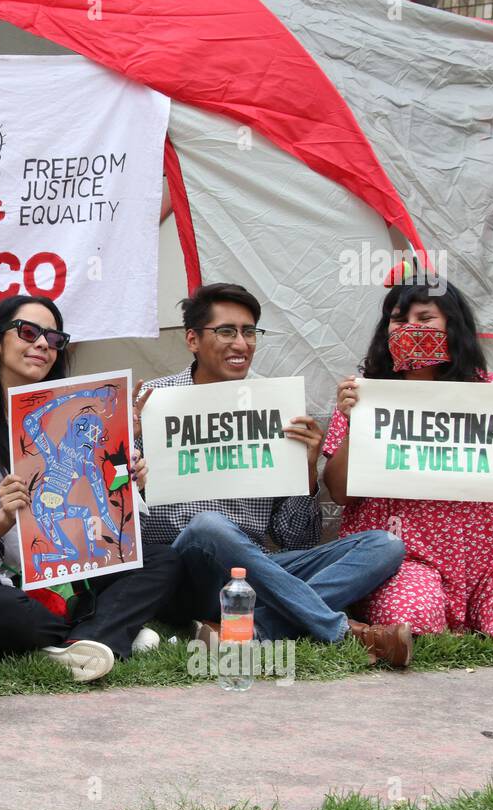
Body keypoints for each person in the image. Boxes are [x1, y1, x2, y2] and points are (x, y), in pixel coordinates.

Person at [138, 282, 412, 665]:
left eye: (249, 332)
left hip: (256, 573)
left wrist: (306, 471)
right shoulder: (151, 402)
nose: (241, 343)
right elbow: (117, 517)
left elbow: (296, 538)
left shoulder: (275, 407)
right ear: (192, 340)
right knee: (209, 527)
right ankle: (342, 630)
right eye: (226, 331)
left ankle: (250, 631)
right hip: (182, 571)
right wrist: (132, 475)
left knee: (385, 545)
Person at [0, 296, 182, 683]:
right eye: (28, 332)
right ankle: (105, 631)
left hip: (55, 567)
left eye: (54, 338)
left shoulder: (68, 424)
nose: (44, 344)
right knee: (8, 614)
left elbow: (101, 503)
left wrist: (125, 477)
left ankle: (85, 639)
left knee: (162, 560)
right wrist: (4, 516)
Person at [321, 274, 493, 648]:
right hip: (406, 558)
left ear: (453, 327)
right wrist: (353, 424)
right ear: (386, 330)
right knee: (417, 627)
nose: (411, 328)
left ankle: (483, 612)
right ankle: (414, 614)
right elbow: (341, 494)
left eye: (425, 318)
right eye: (399, 319)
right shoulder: (369, 394)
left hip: (491, 562)